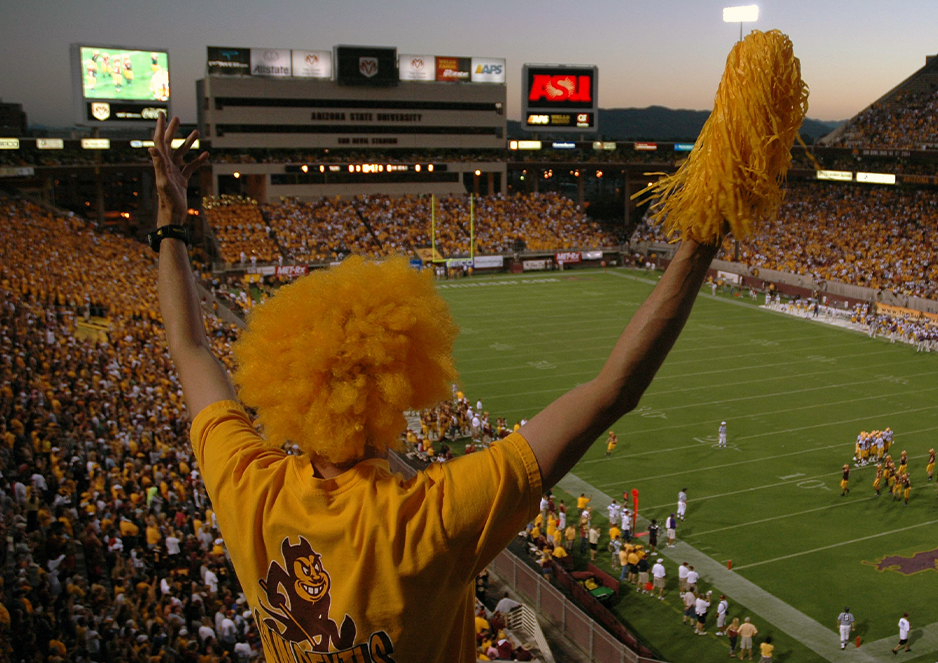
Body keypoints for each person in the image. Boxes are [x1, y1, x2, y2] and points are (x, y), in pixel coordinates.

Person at [147, 113, 723, 662]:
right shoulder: (427, 520)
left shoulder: (249, 488)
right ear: (398, 387)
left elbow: (190, 347)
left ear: (282, 385)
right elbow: (613, 391)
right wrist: (700, 241)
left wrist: (171, 225)